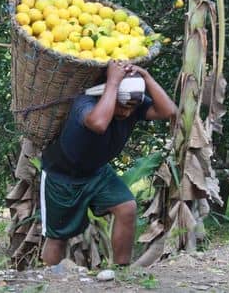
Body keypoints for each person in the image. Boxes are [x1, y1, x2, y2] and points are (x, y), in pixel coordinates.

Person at [40, 60, 177, 266]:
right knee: (58, 237)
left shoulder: (131, 106)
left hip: (97, 172)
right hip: (62, 177)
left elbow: (169, 112)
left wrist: (146, 77)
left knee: (127, 208)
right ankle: (49, 280)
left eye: (132, 108)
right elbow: (98, 123)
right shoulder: (85, 103)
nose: (126, 113)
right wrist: (113, 81)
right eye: (121, 107)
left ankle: (121, 270)